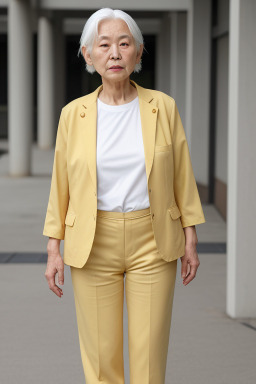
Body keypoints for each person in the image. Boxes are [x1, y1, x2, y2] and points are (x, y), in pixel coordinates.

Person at [43, 7, 206, 384]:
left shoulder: (162, 107)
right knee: (101, 360)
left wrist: (191, 236)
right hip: (93, 241)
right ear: (88, 55)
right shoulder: (73, 114)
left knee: (149, 358)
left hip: (153, 239)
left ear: (138, 51)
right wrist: (54, 249)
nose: (114, 53)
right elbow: (60, 185)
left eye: (123, 43)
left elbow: (181, 172)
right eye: (104, 44)